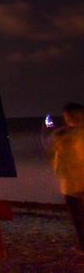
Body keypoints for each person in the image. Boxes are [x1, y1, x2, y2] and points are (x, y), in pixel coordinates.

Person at [52, 102, 84, 253]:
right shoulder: (64, 135)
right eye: (67, 116)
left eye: (73, 115)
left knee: (79, 218)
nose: (69, 118)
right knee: (78, 219)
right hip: (69, 184)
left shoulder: (74, 134)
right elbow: (57, 157)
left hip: (78, 183)